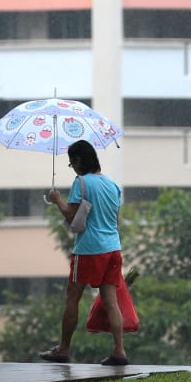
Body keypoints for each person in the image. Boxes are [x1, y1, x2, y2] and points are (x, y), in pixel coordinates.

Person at [39, 139, 128, 366]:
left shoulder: (81, 183)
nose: (73, 167)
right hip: (113, 249)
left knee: (72, 297)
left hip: (89, 250)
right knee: (111, 301)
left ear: (78, 160)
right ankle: (119, 351)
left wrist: (57, 200)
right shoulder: (113, 185)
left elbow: (71, 215)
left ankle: (63, 348)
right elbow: (112, 218)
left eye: (71, 163)